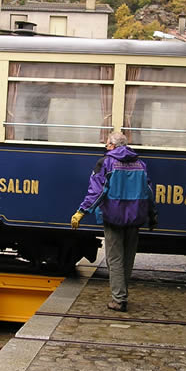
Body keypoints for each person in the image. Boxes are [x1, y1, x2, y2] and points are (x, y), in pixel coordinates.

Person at [71, 131, 157, 312]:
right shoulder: (140, 164)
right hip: (135, 217)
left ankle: (119, 299)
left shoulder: (107, 163)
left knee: (114, 258)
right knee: (128, 257)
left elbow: (97, 191)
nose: (105, 147)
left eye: (107, 144)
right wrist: (152, 215)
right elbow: (148, 192)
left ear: (113, 145)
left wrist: (81, 211)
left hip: (113, 217)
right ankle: (122, 293)